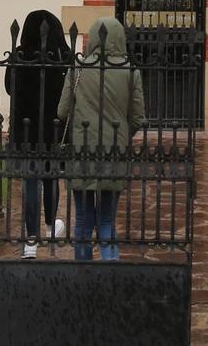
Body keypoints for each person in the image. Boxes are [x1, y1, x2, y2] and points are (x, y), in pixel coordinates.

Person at [57, 14, 144, 261]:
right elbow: (138, 117)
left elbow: (62, 112)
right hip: (114, 154)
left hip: (82, 153)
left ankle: (83, 278)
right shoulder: (130, 72)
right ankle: (110, 276)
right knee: (107, 221)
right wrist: (122, 136)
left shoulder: (78, 70)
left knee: (83, 222)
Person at [8, 10, 70, 259]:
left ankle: (31, 239)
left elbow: (8, 87)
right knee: (50, 177)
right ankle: (50, 226)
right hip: (52, 129)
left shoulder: (20, 55)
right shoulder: (63, 56)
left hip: (27, 128)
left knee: (31, 179)